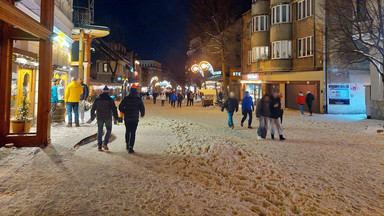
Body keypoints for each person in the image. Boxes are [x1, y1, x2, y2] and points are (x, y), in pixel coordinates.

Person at [89, 86, 118, 151]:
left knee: (100, 131)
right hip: (108, 117)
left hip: (99, 117)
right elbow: (114, 109)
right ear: (108, 93)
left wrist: (92, 116)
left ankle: (99, 146)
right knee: (109, 130)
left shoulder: (97, 99)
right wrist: (116, 117)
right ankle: (105, 143)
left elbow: (93, 109)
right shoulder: (110, 99)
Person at [119, 84, 145, 153]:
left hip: (127, 118)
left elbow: (120, 106)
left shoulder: (126, 98)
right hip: (135, 118)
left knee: (127, 131)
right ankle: (131, 147)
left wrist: (124, 112)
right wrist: (142, 113)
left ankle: (127, 144)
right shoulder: (138, 99)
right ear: (136, 91)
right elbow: (142, 107)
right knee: (133, 132)